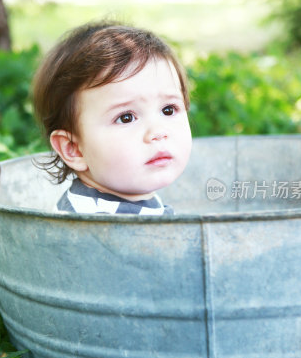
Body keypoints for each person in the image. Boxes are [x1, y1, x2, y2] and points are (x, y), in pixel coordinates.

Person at [33, 21, 192, 214]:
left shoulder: (122, 204)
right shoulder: (105, 226)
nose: (157, 132)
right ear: (73, 149)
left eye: (168, 110)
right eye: (126, 117)